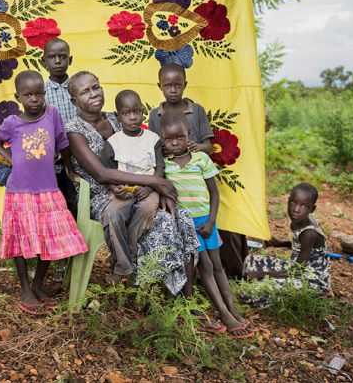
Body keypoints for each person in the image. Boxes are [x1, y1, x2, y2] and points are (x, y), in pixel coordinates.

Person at [65, 71, 199, 295]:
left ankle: (180, 292)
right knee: (151, 221)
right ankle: (134, 274)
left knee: (178, 218)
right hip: (100, 195)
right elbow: (100, 174)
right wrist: (156, 182)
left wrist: (155, 186)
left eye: (96, 87)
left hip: (140, 190)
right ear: (74, 100)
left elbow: (149, 150)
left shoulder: (119, 117)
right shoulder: (74, 130)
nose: (93, 94)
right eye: (85, 91)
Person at [0, 70, 87, 315]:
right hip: (19, 192)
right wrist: (12, 159)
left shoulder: (52, 114)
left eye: (39, 94)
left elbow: (63, 143)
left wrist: (68, 170)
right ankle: (24, 288)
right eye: (28, 95)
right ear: (18, 97)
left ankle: (37, 285)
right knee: (21, 241)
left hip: (48, 189)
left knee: (49, 238)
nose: (35, 99)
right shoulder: (12, 123)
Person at [148, 63, 248, 278]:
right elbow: (155, 149)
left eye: (177, 85)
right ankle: (181, 278)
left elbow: (208, 145)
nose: (173, 90)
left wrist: (197, 147)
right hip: (173, 175)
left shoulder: (197, 110)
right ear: (160, 86)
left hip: (195, 177)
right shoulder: (155, 115)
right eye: (168, 86)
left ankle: (205, 276)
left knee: (201, 230)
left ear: (185, 85)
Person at [162, 113, 254, 337]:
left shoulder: (201, 160)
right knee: (205, 266)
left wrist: (212, 220)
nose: (175, 142)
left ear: (189, 135)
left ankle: (232, 309)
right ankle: (223, 314)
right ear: (163, 141)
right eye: (169, 139)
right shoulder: (165, 166)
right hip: (186, 224)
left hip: (205, 220)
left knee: (217, 265)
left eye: (180, 137)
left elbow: (214, 192)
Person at [98, 89, 164, 284]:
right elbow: (106, 172)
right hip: (124, 191)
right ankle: (128, 264)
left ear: (143, 111)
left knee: (145, 209)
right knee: (112, 214)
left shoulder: (153, 139)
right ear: (118, 116)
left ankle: (123, 262)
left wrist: (151, 188)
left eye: (137, 111)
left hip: (148, 189)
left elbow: (159, 169)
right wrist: (113, 187)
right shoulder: (113, 142)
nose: (133, 117)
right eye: (126, 113)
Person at [240, 183, 331, 307]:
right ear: (288, 201)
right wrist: (279, 244)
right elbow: (301, 246)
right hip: (296, 268)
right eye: (293, 203)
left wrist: (261, 275)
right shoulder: (298, 221)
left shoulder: (309, 233)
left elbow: (297, 271)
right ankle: (255, 286)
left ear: (312, 209)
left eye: (304, 206)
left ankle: (297, 301)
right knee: (251, 259)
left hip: (311, 281)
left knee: (250, 292)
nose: (296, 209)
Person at [41, 38, 78, 218]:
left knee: (78, 200)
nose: (57, 61)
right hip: (53, 161)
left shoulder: (78, 88)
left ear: (70, 60)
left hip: (79, 157)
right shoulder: (41, 93)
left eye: (62, 57)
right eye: (52, 57)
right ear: (43, 61)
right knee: (58, 203)